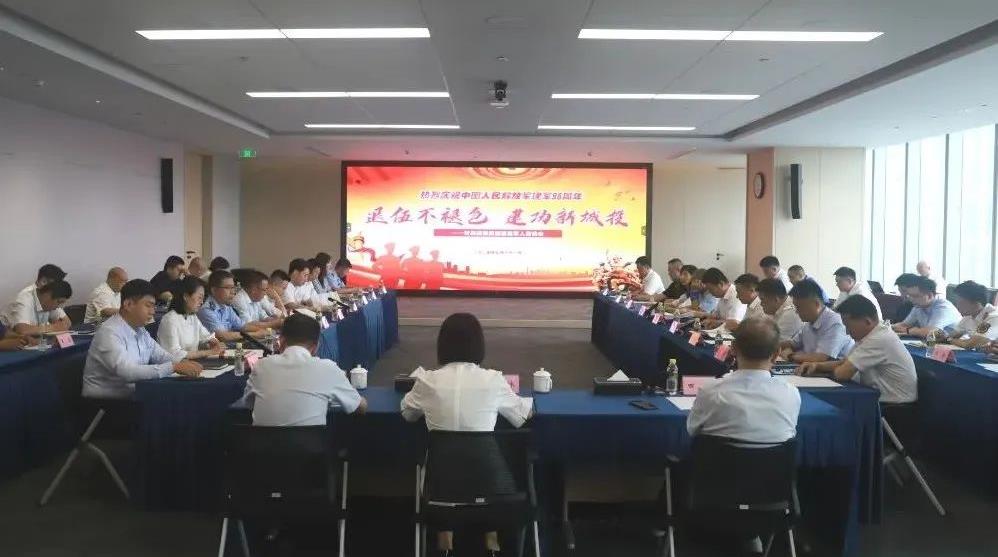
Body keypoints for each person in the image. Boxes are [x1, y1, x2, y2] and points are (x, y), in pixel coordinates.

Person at [401, 313, 533, 556]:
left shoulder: (427, 381)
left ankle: (445, 543)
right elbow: (522, 415)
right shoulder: (493, 379)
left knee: (445, 476)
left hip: (438, 493)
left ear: (442, 345)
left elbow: (407, 413)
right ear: (479, 345)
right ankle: (491, 542)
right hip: (494, 493)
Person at [81, 279, 202, 398]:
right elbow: (127, 372)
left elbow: (160, 355)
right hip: (106, 402)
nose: (153, 312)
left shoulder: (140, 329)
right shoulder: (110, 332)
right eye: (148, 306)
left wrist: (182, 362)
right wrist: (174, 367)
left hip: (135, 393)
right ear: (128, 304)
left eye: (154, 306)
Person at [688, 317, 801, 443]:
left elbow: (692, 430)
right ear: (776, 354)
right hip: (776, 456)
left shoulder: (710, 391)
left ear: (733, 349)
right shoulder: (791, 394)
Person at [243, 314, 367, 426]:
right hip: (312, 444)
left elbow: (248, 404)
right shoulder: (328, 368)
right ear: (316, 347)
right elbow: (360, 407)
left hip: (261, 444)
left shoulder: (261, 366)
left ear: (281, 341)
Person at [798, 296, 917, 404]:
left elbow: (842, 374)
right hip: (883, 398)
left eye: (848, 326)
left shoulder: (878, 339)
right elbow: (844, 362)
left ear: (867, 321)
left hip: (895, 406)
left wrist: (821, 372)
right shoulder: (873, 334)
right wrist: (817, 366)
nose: (847, 332)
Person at [780, 280, 854, 363]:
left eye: (799, 307)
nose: (797, 312)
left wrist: (790, 356)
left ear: (816, 304)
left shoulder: (836, 323)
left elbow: (820, 358)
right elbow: (792, 344)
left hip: (831, 371)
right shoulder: (809, 323)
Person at [157, 276, 224, 359]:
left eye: (203, 298)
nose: (202, 302)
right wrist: (209, 352)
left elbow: (206, 337)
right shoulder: (170, 320)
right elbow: (174, 354)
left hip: (193, 362)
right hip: (176, 365)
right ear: (186, 296)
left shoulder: (192, 316)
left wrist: (213, 342)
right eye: (199, 297)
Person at [198, 270, 267, 341]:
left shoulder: (226, 306)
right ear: (214, 290)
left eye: (233, 287)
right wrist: (255, 334)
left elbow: (242, 326)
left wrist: (260, 330)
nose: (233, 292)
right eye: (228, 288)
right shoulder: (206, 310)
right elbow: (222, 336)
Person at [892, 276, 961, 339]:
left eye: (915, 296)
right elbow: (904, 325)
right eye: (910, 295)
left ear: (930, 296)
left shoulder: (943, 307)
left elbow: (930, 332)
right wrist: (889, 327)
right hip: (934, 343)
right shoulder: (918, 306)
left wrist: (908, 330)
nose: (911, 299)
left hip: (956, 345)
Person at [1, 279, 73, 335]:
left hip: (29, 341)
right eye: (59, 302)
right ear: (47, 294)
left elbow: (67, 323)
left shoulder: (50, 302)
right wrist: (52, 328)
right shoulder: (25, 298)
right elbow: (22, 330)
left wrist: (58, 326)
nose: (58, 306)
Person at [946, 281, 998, 349]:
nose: (957, 306)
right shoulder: (969, 315)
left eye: (961, 303)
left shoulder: (993, 316)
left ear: (977, 303)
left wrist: (949, 340)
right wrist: (947, 338)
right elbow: (952, 335)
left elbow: (970, 344)